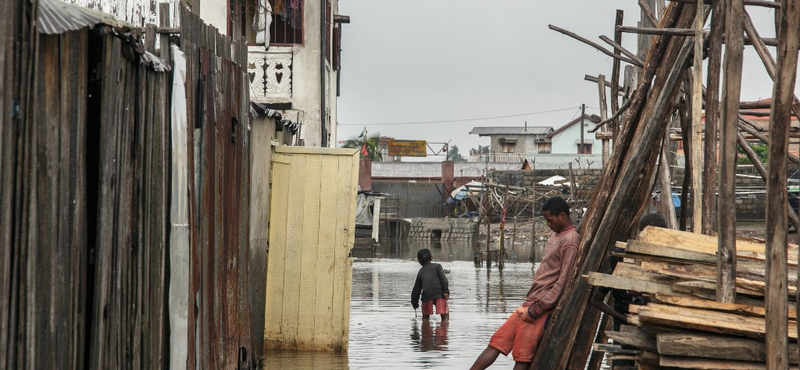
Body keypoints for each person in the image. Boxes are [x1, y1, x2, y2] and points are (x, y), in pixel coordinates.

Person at [470, 197, 579, 370]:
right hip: (530, 302)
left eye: (550, 220)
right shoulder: (557, 235)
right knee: (497, 343)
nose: (548, 224)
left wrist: (541, 307)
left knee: (522, 356)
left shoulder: (570, 240)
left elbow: (563, 281)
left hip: (540, 305)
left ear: (563, 216)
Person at [589, 212, 666, 368]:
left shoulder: (662, 262)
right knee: (622, 364)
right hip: (623, 330)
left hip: (651, 330)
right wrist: (621, 318)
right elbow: (596, 300)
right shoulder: (619, 266)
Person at [411, 248, 450, 321]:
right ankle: (443, 328)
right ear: (431, 258)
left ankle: (426, 329)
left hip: (427, 296)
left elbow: (416, 290)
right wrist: (446, 291)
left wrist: (415, 304)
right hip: (440, 294)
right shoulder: (437, 266)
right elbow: (444, 280)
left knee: (425, 317)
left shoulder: (421, 272)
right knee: (445, 316)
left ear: (419, 261)